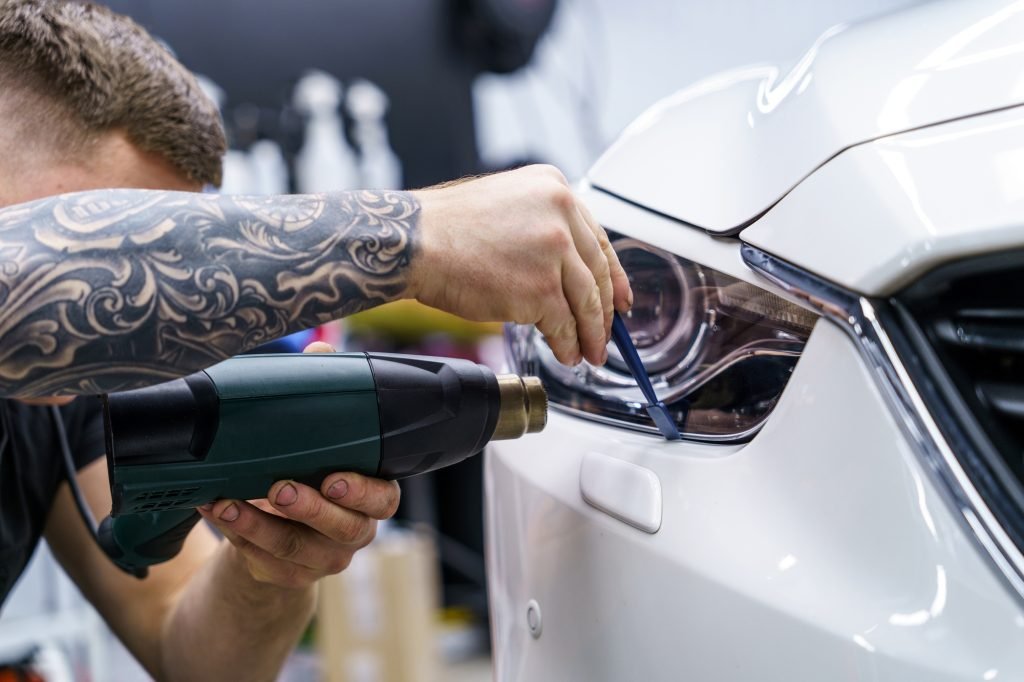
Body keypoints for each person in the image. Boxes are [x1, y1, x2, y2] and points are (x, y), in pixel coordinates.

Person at [0, 2, 631, 681]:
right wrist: (417, 232)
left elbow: (189, 653)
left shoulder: (66, 392)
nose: (123, 317)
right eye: (102, 227)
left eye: (155, 232)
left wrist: (268, 570)